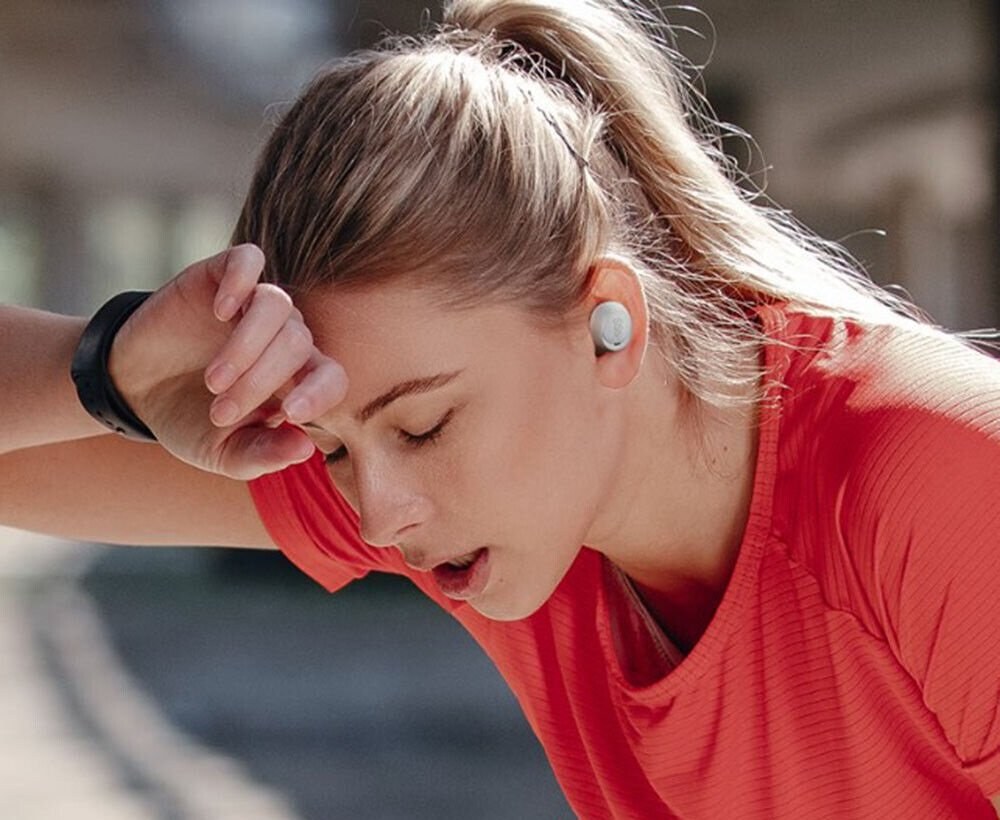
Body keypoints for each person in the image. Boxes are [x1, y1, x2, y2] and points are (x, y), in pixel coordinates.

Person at [2, 0, 999, 816]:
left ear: (608, 324)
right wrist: (111, 369)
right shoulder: (509, 506)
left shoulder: (936, 476)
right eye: (331, 447)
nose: (377, 514)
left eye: (422, 426)